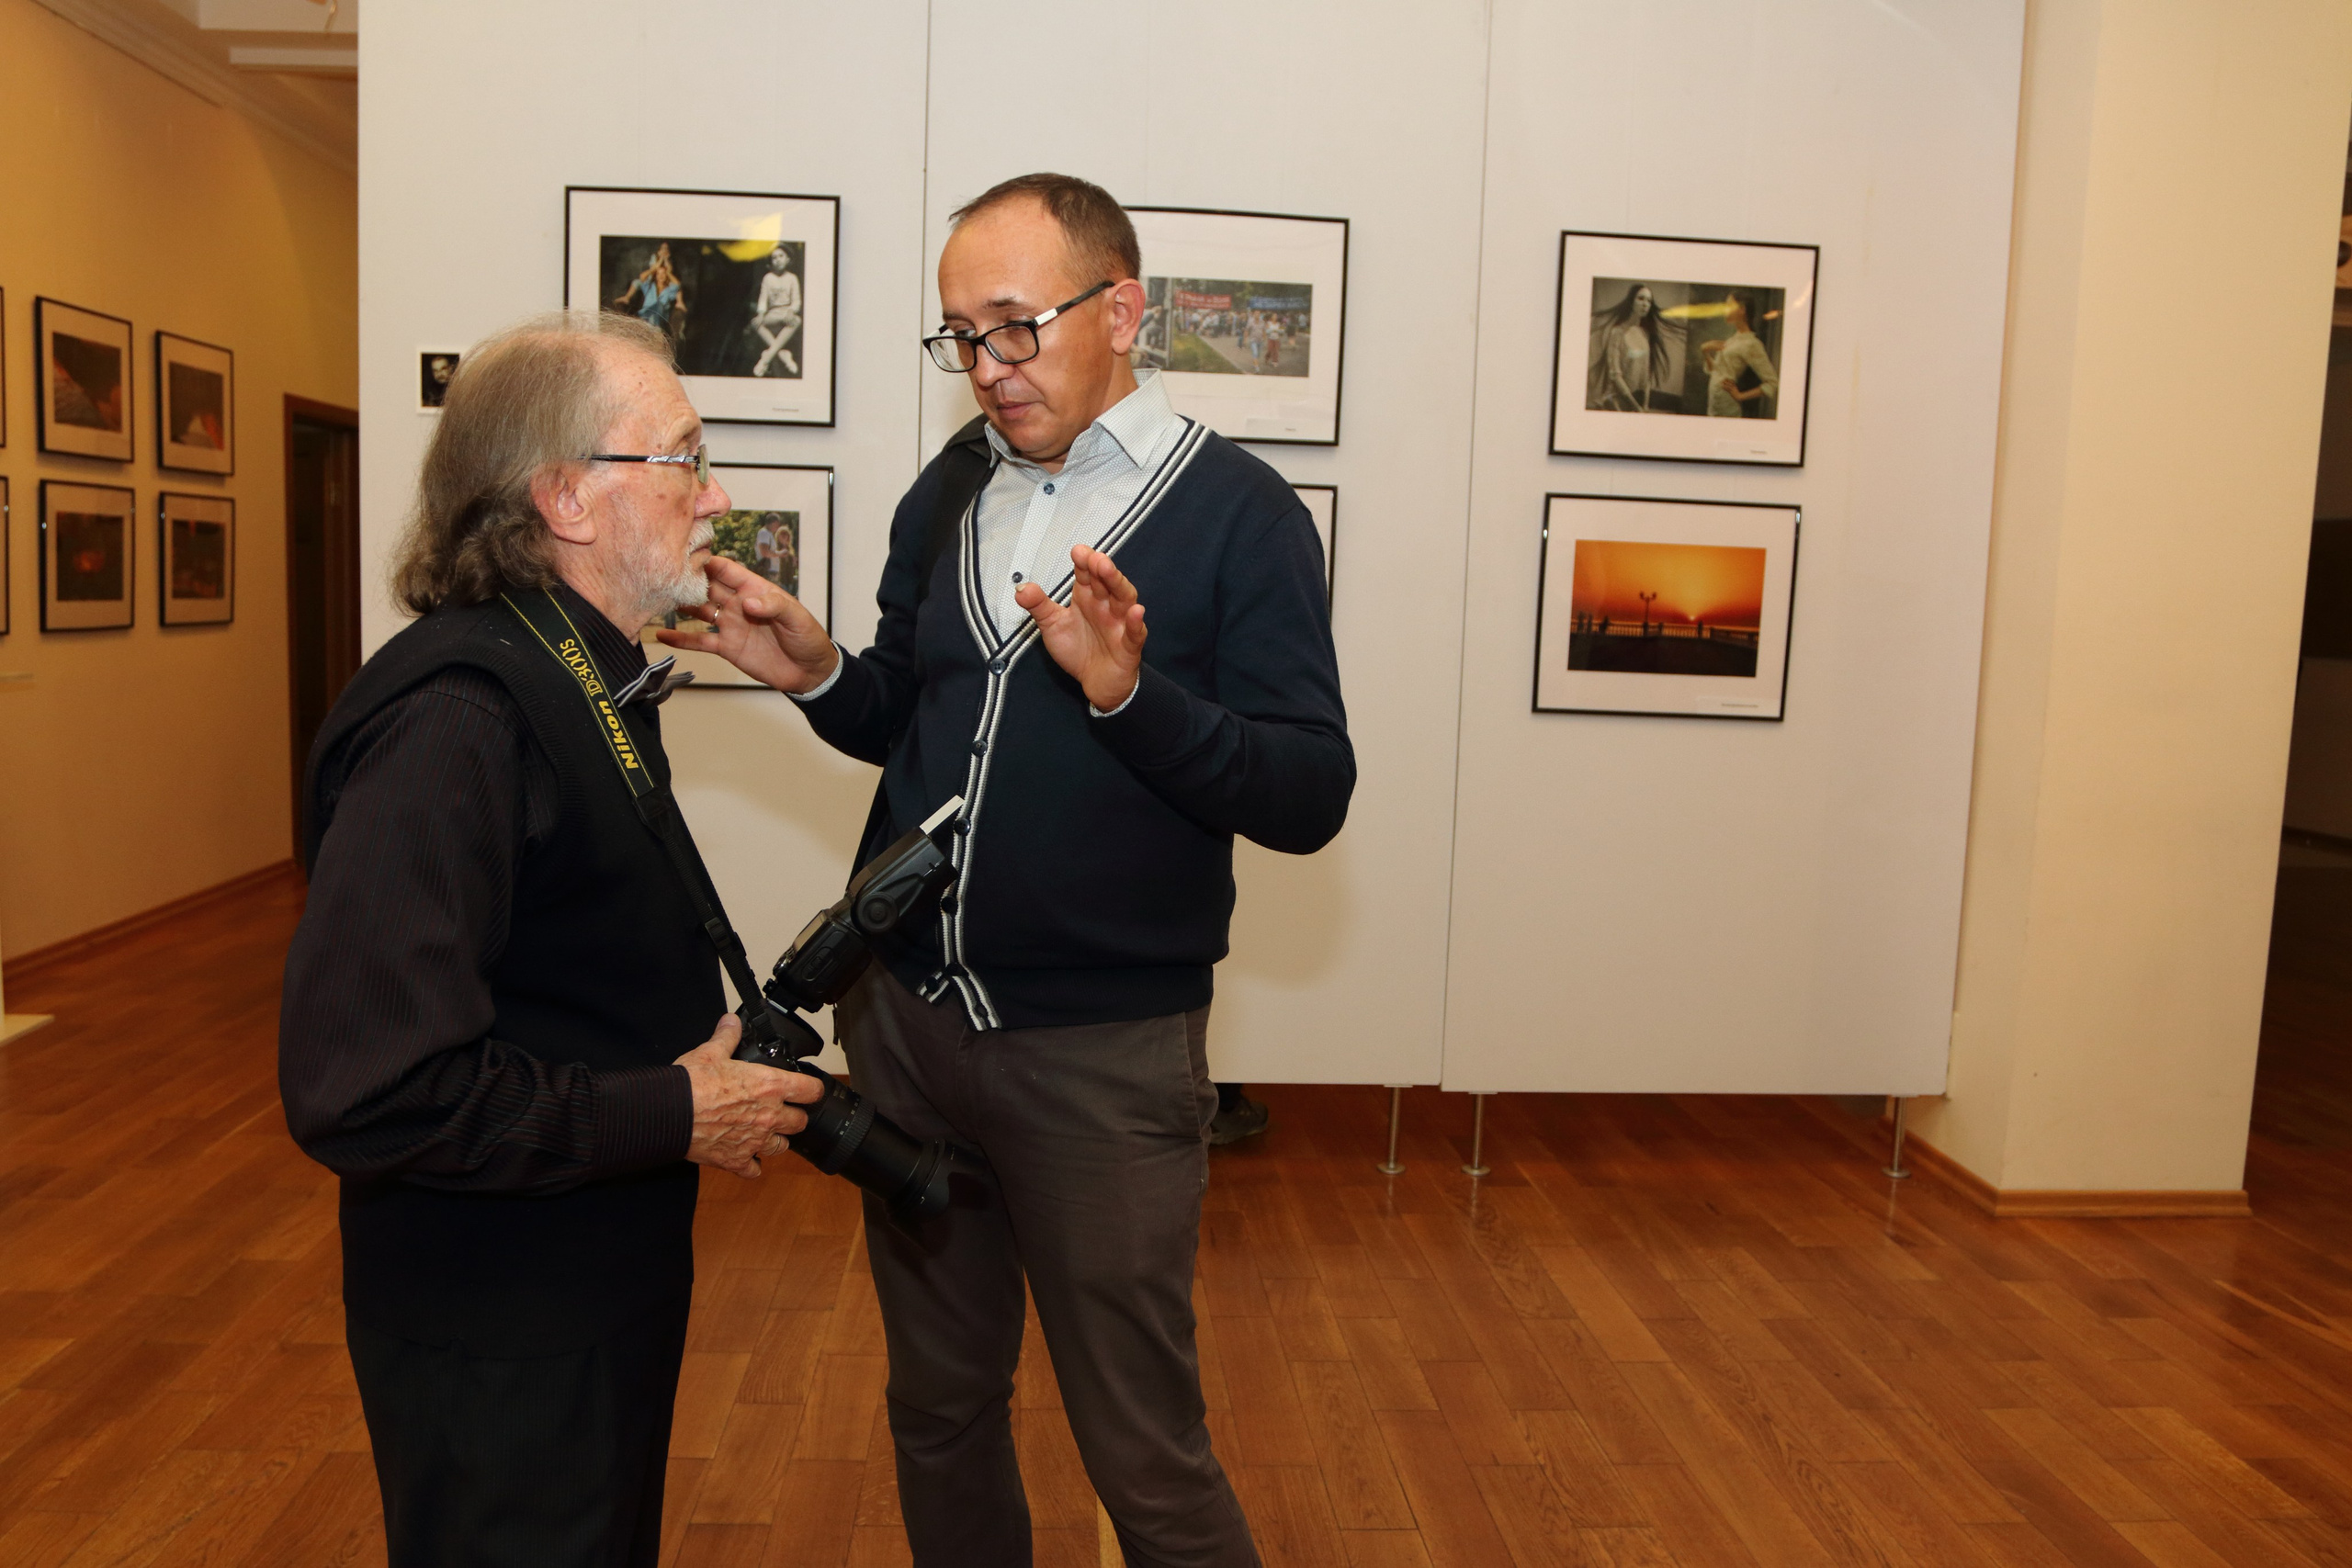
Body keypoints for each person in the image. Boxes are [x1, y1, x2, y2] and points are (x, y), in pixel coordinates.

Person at [666, 171, 1352, 1568]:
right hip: (907, 1030)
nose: (986, 366)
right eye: (960, 335)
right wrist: (817, 675)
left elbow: (1308, 793)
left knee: (1143, 1456)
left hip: (1098, 1057)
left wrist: (1129, 694)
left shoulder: (1242, 516)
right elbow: (910, 722)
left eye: (1014, 327)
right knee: (937, 1405)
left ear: (1123, 307)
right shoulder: (953, 488)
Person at [278, 310, 822, 1568]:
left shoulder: (568, 671)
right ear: (567, 495)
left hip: (577, 1287)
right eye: (683, 457)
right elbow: (368, 1087)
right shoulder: (460, 719)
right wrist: (667, 1112)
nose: (716, 494)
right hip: (501, 1320)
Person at [1588, 281, 1675, 412]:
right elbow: (1615, 375)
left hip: (1637, 402)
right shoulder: (1617, 333)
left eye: (1649, 301)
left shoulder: (1644, 334)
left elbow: (1646, 375)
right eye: (1641, 299)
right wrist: (1636, 407)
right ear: (1631, 302)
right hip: (1617, 401)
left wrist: (1645, 405)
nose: (1645, 304)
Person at [1701, 289, 1779, 417]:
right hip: (1714, 406)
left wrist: (1740, 396)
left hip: (1727, 409)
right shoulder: (1733, 339)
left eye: (1729, 306)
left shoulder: (1752, 344)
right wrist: (1705, 351)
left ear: (1742, 310)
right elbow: (1715, 371)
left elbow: (1772, 383)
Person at [614, 242, 685, 346]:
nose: (661, 276)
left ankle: (653, 336)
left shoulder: (669, 289)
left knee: (658, 306)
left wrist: (668, 271)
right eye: (659, 274)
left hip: (660, 317)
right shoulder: (650, 286)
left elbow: (677, 285)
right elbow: (642, 277)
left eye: (663, 275)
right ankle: (652, 336)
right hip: (646, 315)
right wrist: (656, 267)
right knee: (650, 311)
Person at [752, 243, 802, 377]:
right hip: (772, 313)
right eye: (774, 258)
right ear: (771, 262)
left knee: (797, 321)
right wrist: (761, 314)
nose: (778, 260)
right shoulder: (768, 278)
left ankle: (765, 359)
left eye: (781, 256)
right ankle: (782, 355)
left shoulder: (792, 278)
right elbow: (763, 299)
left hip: (786, 313)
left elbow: (796, 300)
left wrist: (791, 311)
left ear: (788, 259)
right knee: (756, 323)